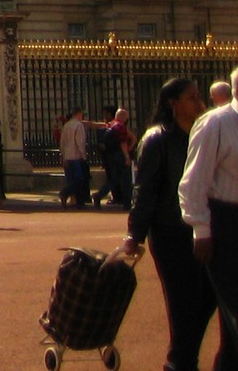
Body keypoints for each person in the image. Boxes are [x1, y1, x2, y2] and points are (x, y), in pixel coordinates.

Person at [121, 76, 231, 371]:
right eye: (192, 98)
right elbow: (145, 191)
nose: (200, 103)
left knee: (209, 299)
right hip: (170, 233)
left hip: (203, 231)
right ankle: (180, 362)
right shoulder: (157, 139)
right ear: (173, 104)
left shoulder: (202, 132)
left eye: (198, 97)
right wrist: (135, 234)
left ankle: (182, 359)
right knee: (183, 304)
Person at [180, 68, 238, 366]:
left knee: (232, 332)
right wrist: (201, 230)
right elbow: (194, 180)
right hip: (226, 223)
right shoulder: (216, 123)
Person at [94, 108, 134, 209]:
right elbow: (123, 143)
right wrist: (127, 156)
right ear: (124, 118)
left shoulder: (110, 125)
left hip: (111, 156)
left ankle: (99, 195)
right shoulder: (120, 127)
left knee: (114, 179)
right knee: (126, 180)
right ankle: (127, 203)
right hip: (120, 155)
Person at [60, 108, 98, 207]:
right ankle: (67, 193)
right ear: (79, 114)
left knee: (70, 179)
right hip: (76, 156)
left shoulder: (66, 125)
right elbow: (80, 142)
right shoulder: (78, 125)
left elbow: (62, 142)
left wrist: (63, 156)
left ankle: (74, 199)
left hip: (67, 156)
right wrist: (83, 156)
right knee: (79, 180)